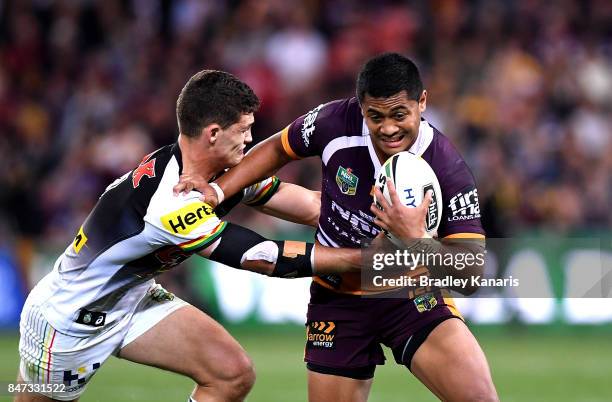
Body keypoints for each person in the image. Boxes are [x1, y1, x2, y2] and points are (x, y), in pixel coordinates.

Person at [15, 70, 362, 402]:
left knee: (232, 373)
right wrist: (363, 260)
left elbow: (307, 204)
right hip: (69, 320)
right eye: (243, 130)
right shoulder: (171, 200)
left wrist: (363, 219)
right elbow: (261, 256)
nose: (250, 140)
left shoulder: (217, 171)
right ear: (213, 133)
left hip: (132, 298)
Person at [176, 54, 499, 401]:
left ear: (422, 102)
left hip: (409, 295)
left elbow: (470, 275)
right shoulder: (334, 122)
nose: (388, 128)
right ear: (360, 107)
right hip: (337, 299)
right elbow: (277, 148)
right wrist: (221, 189)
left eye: (399, 114)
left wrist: (415, 238)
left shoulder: (447, 167)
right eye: (376, 116)